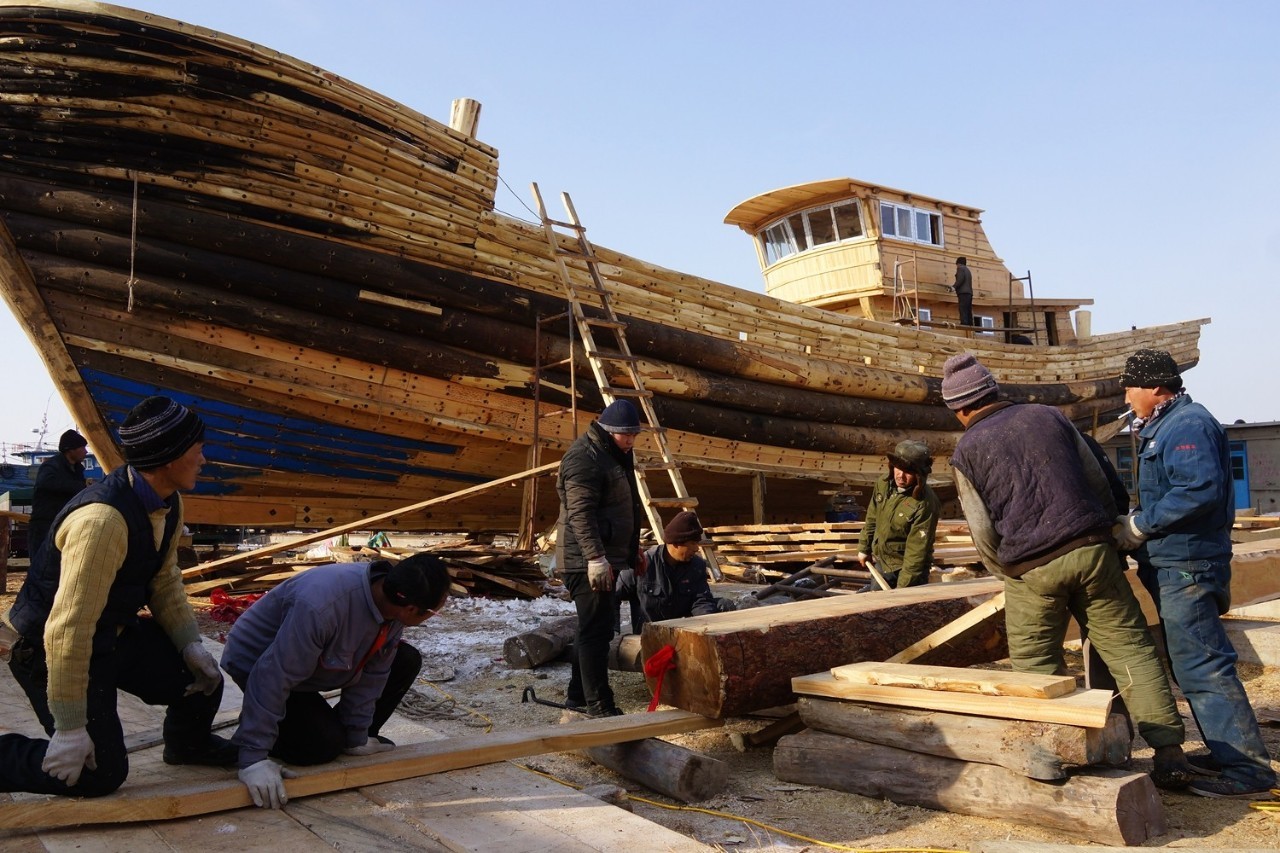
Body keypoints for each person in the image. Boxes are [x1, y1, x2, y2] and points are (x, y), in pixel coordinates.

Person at [942, 353, 1194, 790]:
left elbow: (981, 526)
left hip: (1031, 566)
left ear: (960, 409)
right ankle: (1169, 753)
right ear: (995, 391)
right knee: (1131, 648)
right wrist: (1111, 532)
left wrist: (1006, 570)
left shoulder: (966, 449)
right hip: (1091, 548)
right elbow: (1098, 477)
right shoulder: (1048, 416)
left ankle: (1051, 756)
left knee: (1036, 663)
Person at [0, 396, 234, 797]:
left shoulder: (167, 502)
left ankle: (187, 745)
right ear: (170, 456)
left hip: (111, 634)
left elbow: (164, 580)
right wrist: (70, 727)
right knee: (98, 773)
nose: (203, 459)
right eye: (198, 450)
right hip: (49, 652)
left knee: (201, 678)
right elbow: (66, 631)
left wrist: (189, 643)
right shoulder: (102, 521)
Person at [1114, 349, 1278, 798]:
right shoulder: (1165, 425)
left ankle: (1248, 773)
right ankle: (1229, 753)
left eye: (1131, 387)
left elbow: (1198, 489)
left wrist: (1140, 525)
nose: (1127, 396)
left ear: (1155, 387)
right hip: (1175, 562)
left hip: (1188, 564)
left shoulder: (1187, 425)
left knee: (1204, 666)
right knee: (1192, 666)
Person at [221, 554, 446, 810]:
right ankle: (259, 737)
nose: (432, 616)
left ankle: (343, 736)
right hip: (257, 663)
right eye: (433, 612)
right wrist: (252, 758)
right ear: (411, 609)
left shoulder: (391, 602)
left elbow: (374, 674)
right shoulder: (322, 606)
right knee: (318, 748)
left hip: (306, 668)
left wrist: (357, 735)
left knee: (405, 660)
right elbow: (273, 675)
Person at [555, 399, 645, 717]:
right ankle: (599, 704)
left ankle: (578, 696)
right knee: (596, 631)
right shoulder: (585, 457)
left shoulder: (615, 452)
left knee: (595, 628)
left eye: (634, 434)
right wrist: (595, 558)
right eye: (625, 435)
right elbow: (581, 513)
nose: (631, 440)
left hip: (603, 556)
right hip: (585, 560)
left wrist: (632, 551)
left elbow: (624, 506)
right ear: (608, 430)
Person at [616, 510, 737, 633]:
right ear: (675, 543)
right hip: (649, 636)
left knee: (724, 605)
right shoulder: (643, 563)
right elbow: (613, 597)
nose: (696, 549)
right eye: (693, 543)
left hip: (683, 634)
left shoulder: (697, 566)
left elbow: (701, 601)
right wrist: (612, 633)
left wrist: (706, 629)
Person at [855, 440, 941, 590]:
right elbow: (872, 518)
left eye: (908, 472)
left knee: (904, 609)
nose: (900, 476)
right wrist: (864, 548)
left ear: (919, 475)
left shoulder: (925, 503)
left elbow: (917, 552)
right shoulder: (883, 484)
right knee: (874, 603)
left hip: (911, 568)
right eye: (897, 468)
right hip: (885, 561)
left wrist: (903, 590)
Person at [28, 429, 91, 557]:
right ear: (70, 450)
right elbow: (46, 483)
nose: (86, 451)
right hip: (45, 524)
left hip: (64, 522)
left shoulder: (77, 469)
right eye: (82, 447)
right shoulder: (51, 466)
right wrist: (82, 486)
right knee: (41, 564)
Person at [951, 256, 974, 327]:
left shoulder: (960, 269)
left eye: (956, 264)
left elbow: (960, 279)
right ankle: (970, 325)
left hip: (963, 293)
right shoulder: (968, 270)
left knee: (963, 309)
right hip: (969, 293)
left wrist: (954, 287)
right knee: (968, 309)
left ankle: (964, 325)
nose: (956, 266)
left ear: (958, 263)